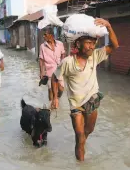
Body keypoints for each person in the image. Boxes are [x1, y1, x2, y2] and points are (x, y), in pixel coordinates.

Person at [51, 18, 119, 161]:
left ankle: (82, 143)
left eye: (93, 43)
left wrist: (109, 25)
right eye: (88, 43)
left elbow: (115, 45)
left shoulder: (95, 56)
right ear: (78, 44)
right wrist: (55, 98)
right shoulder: (67, 62)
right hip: (76, 106)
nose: (92, 46)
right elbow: (54, 77)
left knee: (88, 131)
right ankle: (81, 162)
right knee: (79, 136)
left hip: (92, 102)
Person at [39, 26, 65, 102]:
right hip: (49, 71)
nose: (44, 36)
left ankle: (56, 98)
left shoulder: (60, 44)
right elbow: (41, 60)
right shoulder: (42, 46)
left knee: (61, 88)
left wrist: (62, 63)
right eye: (43, 35)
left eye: (45, 34)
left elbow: (63, 54)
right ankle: (51, 107)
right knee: (51, 90)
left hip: (59, 71)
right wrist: (41, 72)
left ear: (51, 35)